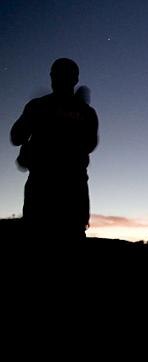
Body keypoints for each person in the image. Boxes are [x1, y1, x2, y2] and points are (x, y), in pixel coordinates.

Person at [10, 58, 98, 241]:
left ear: (52, 77)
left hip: (43, 190)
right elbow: (90, 145)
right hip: (73, 190)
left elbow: (16, 137)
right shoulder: (87, 113)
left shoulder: (37, 106)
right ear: (76, 80)